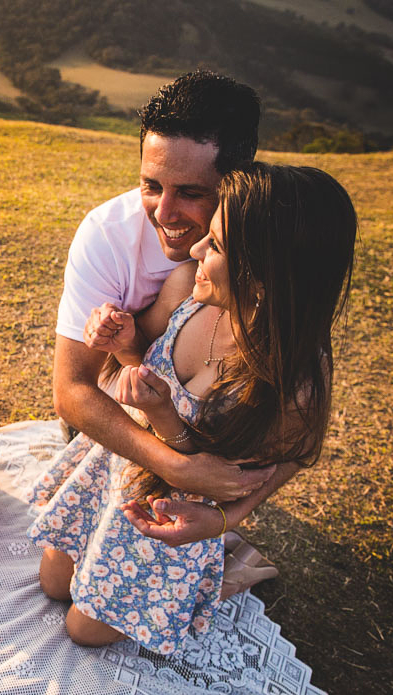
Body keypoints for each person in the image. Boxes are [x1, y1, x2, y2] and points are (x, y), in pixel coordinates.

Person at [29, 162, 357, 653]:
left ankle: (224, 572)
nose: (198, 246)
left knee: (85, 632)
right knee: (52, 582)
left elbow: (287, 460)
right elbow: (145, 363)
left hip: (170, 520)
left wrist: (226, 521)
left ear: (266, 274)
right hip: (119, 468)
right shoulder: (188, 290)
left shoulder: (293, 383)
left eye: (218, 245)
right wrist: (123, 343)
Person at [54, 70, 273, 504]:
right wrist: (180, 468)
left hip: (219, 440)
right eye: (151, 186)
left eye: (190, 192)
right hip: (118, 421)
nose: (164, 214)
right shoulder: (107, 235)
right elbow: (72, 390)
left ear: (239, 181)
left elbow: (301, 427)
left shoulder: (272, 248)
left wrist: (230, 513)